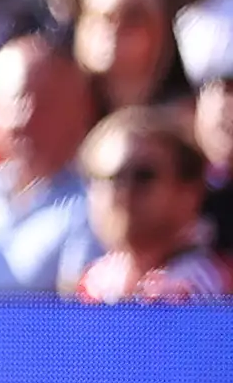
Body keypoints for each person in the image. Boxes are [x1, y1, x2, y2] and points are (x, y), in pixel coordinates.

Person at [0, 36, 102, 294]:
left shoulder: (95, 207)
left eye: (44, 102)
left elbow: (77, 314)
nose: (24, 117)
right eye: (14, 101)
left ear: (82, 111)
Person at [71, 106, 231, 301]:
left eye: (143, 176)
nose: (124, 191)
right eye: (111, 178)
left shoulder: (217, 286)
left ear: (188, 192)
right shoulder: (93, 284)